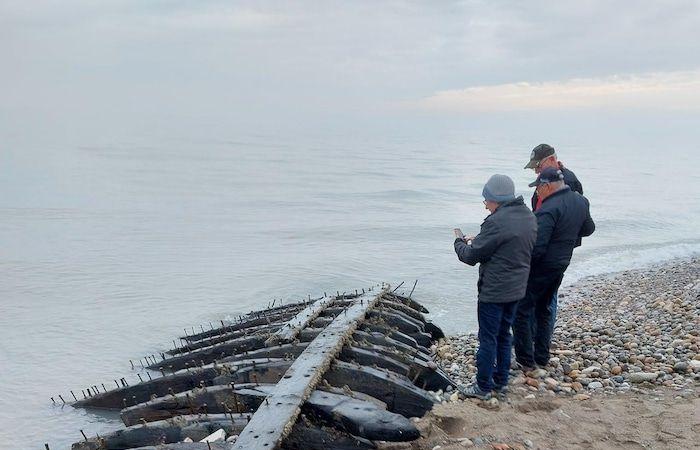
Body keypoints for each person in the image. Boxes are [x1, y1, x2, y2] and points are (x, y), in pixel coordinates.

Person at [453, 174, 537, 399]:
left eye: (487, 200)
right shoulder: (528, 216)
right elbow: (505, 244)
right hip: (517, 289)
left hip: (494, 292)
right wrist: (480, 238)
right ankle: (500, 381)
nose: (486, 205)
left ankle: (482, 386)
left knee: (488, 338)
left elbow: (471, 257)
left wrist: (459, 243)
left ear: (496, 199)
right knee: (504, 335)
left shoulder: (496, 222)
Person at [512, 168, 595, 369]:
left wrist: (519, 267)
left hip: (542, 267)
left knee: (520, 310)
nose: (537, 193)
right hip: (561, 263)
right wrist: (566, 235)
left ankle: (525, 360)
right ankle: (541, 356)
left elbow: (538, 247)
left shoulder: (548, 209)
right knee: (544, 308)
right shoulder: (580, 201)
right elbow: (588, 229)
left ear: (547, 186)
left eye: (538, 188)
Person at [524, 143, 584, 333]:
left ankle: (541, 340)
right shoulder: (545, 180)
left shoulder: (568, 181)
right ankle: (536, 337)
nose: (536, 171)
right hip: (543, 243)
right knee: (541, 292)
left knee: (547, 295)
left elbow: (576, 216)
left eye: (538, 166)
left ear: (551, 160)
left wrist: (560, 242)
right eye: (534, 168)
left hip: (554, 247)